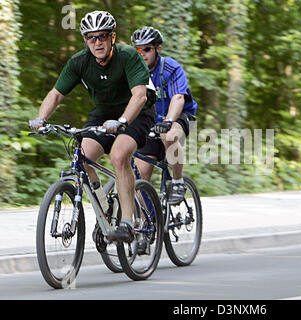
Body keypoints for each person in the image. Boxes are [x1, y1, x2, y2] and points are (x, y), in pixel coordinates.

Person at [29, 11, 156, 242]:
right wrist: (41, 119)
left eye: (102, 36)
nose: (97, 42)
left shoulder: (128, 55)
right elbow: (56, 94)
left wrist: (123, 122)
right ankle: (106, 206)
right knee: (82, 157)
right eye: (91, 37)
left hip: (136, 113)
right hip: (104, 114)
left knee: (119, 156)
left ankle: (127, 222)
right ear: (85, 40)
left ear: (112, 38)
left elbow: (139, 96)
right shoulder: (80, 61)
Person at [131, 26, 197, 204]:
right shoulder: (134, 72)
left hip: (180, 116)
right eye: (138, 49)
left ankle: (177, 181)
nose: (142, 53)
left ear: (158, 49)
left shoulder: (169, 67)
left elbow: (178, 98)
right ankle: (150, 226)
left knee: (170, 135)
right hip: (151, 121)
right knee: (140, 177)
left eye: (147, 49)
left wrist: (168, 121)